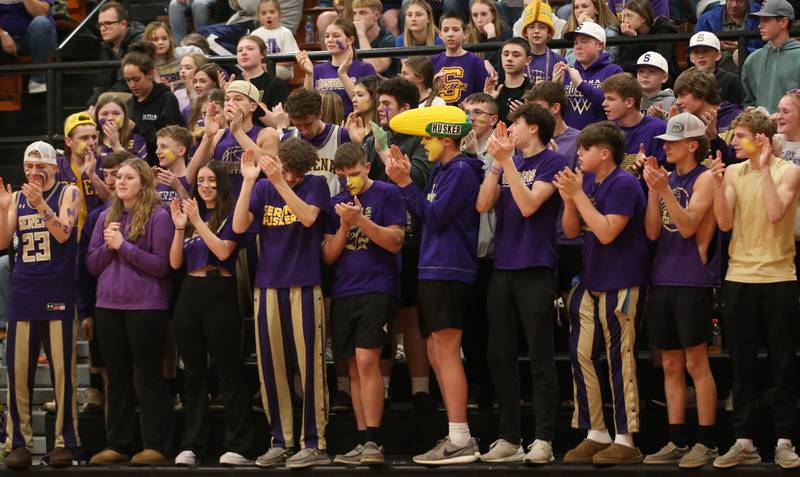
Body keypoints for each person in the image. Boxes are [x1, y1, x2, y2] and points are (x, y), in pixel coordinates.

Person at [386, 105, 483, 465]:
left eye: (428, 138)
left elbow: (435, 217)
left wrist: (406, 184)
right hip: (433, 268)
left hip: (450, 268)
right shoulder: (444, 170)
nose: (424, 144)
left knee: (445, 347)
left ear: (446, 139)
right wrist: (409, 185)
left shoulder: (461, 170)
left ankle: (461, 437)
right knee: (433, 350)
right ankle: (456, 434)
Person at [232, 138, 332, 469]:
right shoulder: (261, 187)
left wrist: (279, 182)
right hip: (267, 286)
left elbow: (307, 218)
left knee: (309, 368)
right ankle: (280, 440)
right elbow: (238, 226)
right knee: (272, 368)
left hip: (305, 284)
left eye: (296, 175)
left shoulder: (316, 184)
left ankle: (314, 442)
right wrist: (248, 182)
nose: (291, 179)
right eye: (287, 173)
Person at [475, 104, 565, 464]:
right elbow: (483, 204)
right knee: (501, 355)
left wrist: (507, 162)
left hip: (536, 267)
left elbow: (529, 206)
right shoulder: (507, 161)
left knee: (541, 356)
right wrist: (497, 163)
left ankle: (544, 438)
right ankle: (509, 436)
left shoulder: (552, 163)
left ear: (534, 128)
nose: (509, 128)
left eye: (516, 123)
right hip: (503, 266)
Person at [555, 121, 648, 465]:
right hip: (592, 279)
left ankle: (626, 438)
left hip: (622, 281)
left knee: (619, 360)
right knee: (581, 355)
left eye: (584, 149)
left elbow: (608, 232)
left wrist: (578, 195)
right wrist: (569, 200)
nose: (578, 154)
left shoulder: (623, 183)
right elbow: (570, 231)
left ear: (605, 153)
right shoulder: (590, 183)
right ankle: (596, 431)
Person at [710, 109, 800, 469]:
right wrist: (717, 184)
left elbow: (776, 213)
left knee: (783, 364)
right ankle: (743, 439)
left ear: (760, 139)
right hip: (739, 276)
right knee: (742, 364)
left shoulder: (788, 170)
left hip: (779, 276)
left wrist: (763, 168)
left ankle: (784, 441)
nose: (733, 143)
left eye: (740, 136)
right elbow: (724, 221)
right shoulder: (732, 171)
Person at [641, 113, 720, 469]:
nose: (667, 148)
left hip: (693, 279)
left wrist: (663, 191)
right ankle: (676, 439)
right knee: (670, 362)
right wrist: (651, 190)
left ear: (692, 144)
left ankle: (708, 442)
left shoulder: (706, 178)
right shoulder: (667, 178)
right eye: (665, 143)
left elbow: (687, 226)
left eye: (673, 142)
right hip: (663, 277)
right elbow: (653, 232)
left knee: (696, 363)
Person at [86, 158, 175, 466]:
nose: (120, 182)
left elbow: (162, 266)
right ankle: (118, 443)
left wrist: (122, 246)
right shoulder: (104, 218)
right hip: (107, 307)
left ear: (143, 183)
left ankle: (156, 445)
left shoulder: (158, 216)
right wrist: (109, 248)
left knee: (149, 377)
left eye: (128, 177)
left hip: (146, 307)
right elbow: (92, 265)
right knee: (118, 378)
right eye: (118, 177)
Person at [0, 142, 81, 470]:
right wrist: (4, 207)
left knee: (63, 374)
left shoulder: (69, 193)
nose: (33, 172)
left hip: (57, 292)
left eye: (39, 166)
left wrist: (40, 206)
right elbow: (3, 243)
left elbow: (63, 234)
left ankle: (65, 443)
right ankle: (18, 443)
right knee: (18, 374)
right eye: (28, 166)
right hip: (23, 293)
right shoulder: (18, 198)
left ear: (53, 166)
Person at [324, 144, 406, 466]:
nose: (350, 182)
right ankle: (362, 440)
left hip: (379, 288)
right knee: (354, 368)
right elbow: (328, 255)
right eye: (344, 177)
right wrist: (345, 225)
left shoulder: (387, 194)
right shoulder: (335, 203)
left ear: (367, 168)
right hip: (344, 291)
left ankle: (374, 439)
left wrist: (361, 221)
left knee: (367, 360)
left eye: (355, 174)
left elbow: (395, 242)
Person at [169, 161, 253, 466]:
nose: (204, 186)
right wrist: (180, 228)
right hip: (189, 293)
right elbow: (176, 263)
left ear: (221, 184)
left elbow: (222, 251)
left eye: (211, 181)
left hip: (221, 292)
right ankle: (193, 443)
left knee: (229, 373)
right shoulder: (190, 216)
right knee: (192, 376)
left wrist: (197, 222)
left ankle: (238, 445)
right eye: (201, 180)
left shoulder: (233, 214)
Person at [364, 77, 435, 412]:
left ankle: (421, 391)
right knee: (386, 319)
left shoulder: (422, 140)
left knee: (413, 318)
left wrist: (381, 151)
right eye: (379, 104)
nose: (380, 110)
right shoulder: (373, 138)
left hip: (413, 241)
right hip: (379, 238)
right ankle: (386, 389)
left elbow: (417, 179)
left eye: (387, 105)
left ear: (406, 109)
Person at [187, 80, 279, 199]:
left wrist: (237, 131)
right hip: (223, 207)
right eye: (227, 99)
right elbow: (191, 177)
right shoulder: (218, 135)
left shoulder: (267, 134)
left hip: (255, 206)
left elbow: (271, 171)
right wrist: (208, 136)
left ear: (252, 106)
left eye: (238, 99)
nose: (231, 103)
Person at [122, 42, 185, 166]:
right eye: (128, 80)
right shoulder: (128, 104)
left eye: (136, 79)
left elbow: (173, 141)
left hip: (160, 169)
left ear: (150, 74)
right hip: (133, 169)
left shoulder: (166, 99)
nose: (132, 85)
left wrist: (138, 129)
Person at [297, 19, 376, 117]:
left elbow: (366, 103)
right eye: (327, 36)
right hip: (324, 125)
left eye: (336, 36)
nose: (330, 40)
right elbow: (307, 105)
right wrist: (309, 74)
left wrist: (342, 74)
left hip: (354, 123)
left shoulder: (365, 68)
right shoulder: (317, 69)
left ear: (350, 40)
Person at [282, 88, 352, 195]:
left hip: (335, 207)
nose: (304, 131)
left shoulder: (342, 135)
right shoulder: (288, 139)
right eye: (298, 125)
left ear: (320, 114)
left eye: (308, 124)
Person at [556, 21, 623, 130]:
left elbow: (614, 107)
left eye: (584, 41)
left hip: (600, 139)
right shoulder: (568, 73)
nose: (578, 47)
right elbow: (557, 110)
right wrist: (555, 87)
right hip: (570, 140)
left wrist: (581, 85)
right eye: (576, 42)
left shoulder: (614, 71)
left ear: (600, 45)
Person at [741, 0, 800, 113]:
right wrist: (749, 110)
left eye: (766, 20)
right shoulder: (753, 60)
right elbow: (748, 101)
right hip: (761, 128)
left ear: (783, 22)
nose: (760, 25)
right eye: (760, 20)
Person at [57, 112, 111, 235]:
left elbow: (114, 202)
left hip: (97, 236)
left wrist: (92, 176)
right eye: (84, 138)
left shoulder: (107, 164)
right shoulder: (56, 167)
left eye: (94, 137)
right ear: (68, 141)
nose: (91, 143)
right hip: (65, 237)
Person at [600, 72, 666, 172]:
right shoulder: (605, 132)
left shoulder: (658, 129)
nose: (604, 104)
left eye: (611, 99)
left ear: (629, 102)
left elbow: (667, 171)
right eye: (605, 98)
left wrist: (647, 166)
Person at [88, 2, 145, 106]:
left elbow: (129, 83)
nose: (103, 28)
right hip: (116, 98)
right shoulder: (107, 47)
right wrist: (91, 105)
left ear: (123, 24)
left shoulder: (138, 43)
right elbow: (103, 83)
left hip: (139, 97)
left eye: (108, 23)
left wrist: (102, 102)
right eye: (100, 24)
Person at [431, 11, 490, 106]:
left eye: (455, 30)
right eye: (446, 30)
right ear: (440, 35)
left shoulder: (475, 61)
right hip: (439, 115)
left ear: (465, 34)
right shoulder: (433, 61)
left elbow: (482, 94)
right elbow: (427, 95)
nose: (450, 34)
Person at [615, 0, 679, 83]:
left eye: (629, 16)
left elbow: (657, 60)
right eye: (624, 16)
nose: (625, 21)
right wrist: (633, 38)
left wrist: (635, 39)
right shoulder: (627, 33)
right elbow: (622, 63)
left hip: (663, 77)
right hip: (636, 75)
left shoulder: (664, 29)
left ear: (643, 18)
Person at [0, 0, 55, 93]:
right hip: (3, 39)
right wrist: (2, 34)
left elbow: (41, 13)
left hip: (32, 39)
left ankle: (39, 79)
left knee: (41, 22)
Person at [694, 0, 763, 73]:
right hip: (716, 75)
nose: (734, 5)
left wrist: (742, 49)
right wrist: (714, 45)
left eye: (740, 1)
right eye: (731, 0)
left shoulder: (762, 16)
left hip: (754, 72)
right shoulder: (706, 19)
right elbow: (694, 52)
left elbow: (769, 51)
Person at [687, 31, 744, 107]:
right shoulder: (686, 80)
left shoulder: (730, 80)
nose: (701, 55)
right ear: (691, 58)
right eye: (696, 52)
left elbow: (737, 109)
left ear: (718, 55)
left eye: (706, 51)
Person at [485, 38, 532, 124]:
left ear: (528, 60)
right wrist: (487, 100)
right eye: (506, 54)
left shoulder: (533, 91)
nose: (509, 58)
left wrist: (528, 115)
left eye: (516, 55)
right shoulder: (493, 89)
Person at [143, 21, 203, 88]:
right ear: (147, 42)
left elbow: (197, 51)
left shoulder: (181, 54)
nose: (160, 42)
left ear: (170, 39)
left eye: (164, 38)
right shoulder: (145, 63)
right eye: (155, 39)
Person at [250, 0, 299, 81]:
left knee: (269, 72)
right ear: (259, 17)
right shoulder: (255, 34)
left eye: (272, 12)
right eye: (264, 13)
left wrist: (270, 65)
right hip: (260, 67)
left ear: (280, 14)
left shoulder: (286, 33)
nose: (268, 16)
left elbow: (292, 59)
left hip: (283, 68)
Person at [94, 93, 149, 163]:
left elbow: (140, 171)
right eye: (105, 114)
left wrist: (116, 145)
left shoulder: (137, 140)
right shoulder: (91, 141)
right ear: (97, 117)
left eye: (116, 113)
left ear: (125, 116)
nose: (110, 118)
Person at [519, 0, 565, 84]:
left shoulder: (559, 61)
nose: (536, 31)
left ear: (549, 32)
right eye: (531, 27)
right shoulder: (518, 59)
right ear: (525, 32)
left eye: (542, 27)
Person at [352, 0, 398, 75]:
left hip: (383, 85)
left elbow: (375, 68)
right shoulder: (352, 39)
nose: (357, 18)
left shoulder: (389, 40)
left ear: (376, 15)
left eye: (362, 13)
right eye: (354, 13)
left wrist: (361, 34)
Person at [155, 125, 192, 205]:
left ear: (181, 150)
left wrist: (178, 187)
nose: (157, 151)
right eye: (157, 146)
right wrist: (150, 187)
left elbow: (192, 212)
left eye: (164, 147)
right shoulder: (158, 179)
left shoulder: (192, 179)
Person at [635, 51, 675, 119]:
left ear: (664, 78)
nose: (645, 75)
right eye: (641, 71)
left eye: (651, 71)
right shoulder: (631, 99)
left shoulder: (673, 102)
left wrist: (662, 119)